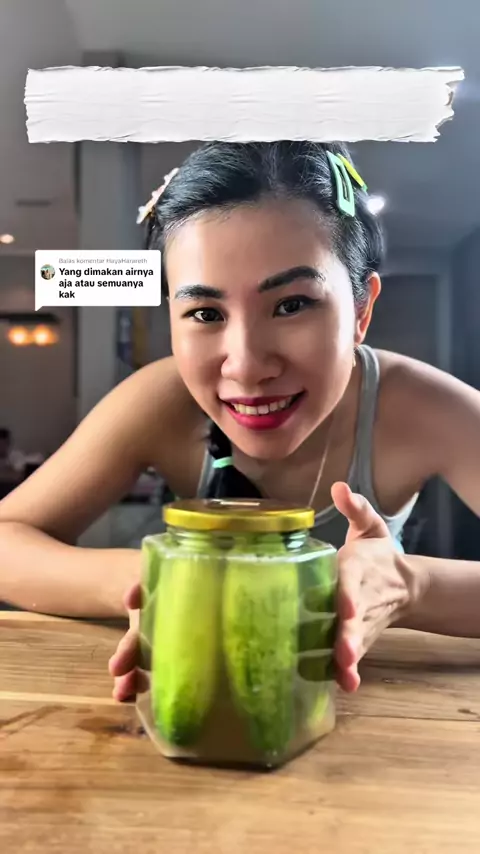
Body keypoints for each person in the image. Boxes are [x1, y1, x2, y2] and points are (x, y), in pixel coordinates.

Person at [1, 141, 480, 700]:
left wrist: (412, 585)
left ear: (361, 310)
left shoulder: (422, 406)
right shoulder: (160, 399)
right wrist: (156, 582)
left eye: (292, 305)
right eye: (206, 313)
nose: (247, 367)